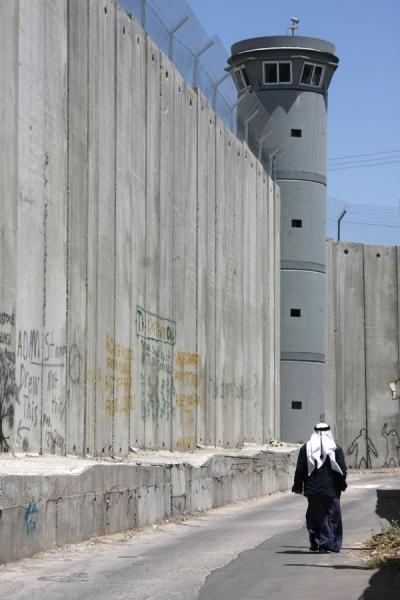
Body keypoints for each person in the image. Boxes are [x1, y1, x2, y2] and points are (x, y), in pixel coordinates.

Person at [292, 422, 347, 553]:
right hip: (331, 490)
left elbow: (300, 469)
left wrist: (298, 485)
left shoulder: (305, 449)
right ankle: (327, 543)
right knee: (332, 516)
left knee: (315, 515)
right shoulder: (335, 449)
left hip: (312, 489)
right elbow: (342, 471)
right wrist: (341, 485)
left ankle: (317, 541)